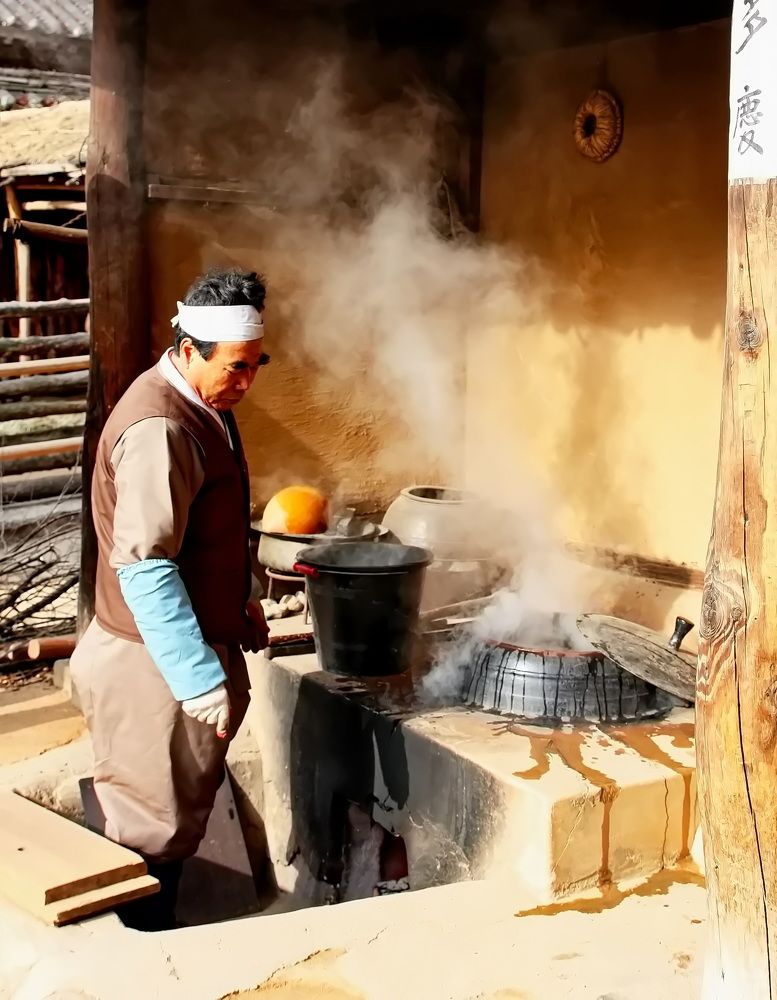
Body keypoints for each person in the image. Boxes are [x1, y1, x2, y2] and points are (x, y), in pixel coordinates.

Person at [71, 268, 270, 930]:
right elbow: (146, 563)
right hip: (150, 666)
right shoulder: (160, 426)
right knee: (148, 829)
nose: (245, 382)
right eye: (234, 368)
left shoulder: (202, 403)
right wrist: (195, 677)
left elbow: (197, 532)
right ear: (188, 349)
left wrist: (234, 601)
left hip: (171, 652)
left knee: (170, 811)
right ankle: (151, 962)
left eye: (253, 366)